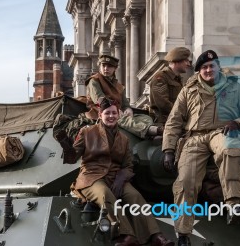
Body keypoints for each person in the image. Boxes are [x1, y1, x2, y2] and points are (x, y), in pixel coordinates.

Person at [162, 50, 240, 246]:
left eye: (211, 66)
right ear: (199, 71)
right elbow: (173, 122)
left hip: (221, 132)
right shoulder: (188, 90)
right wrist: (168, 150)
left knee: (229, 147)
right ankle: (183, 233)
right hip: (195, 137)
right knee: (186, 182)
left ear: (218, 67)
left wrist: (238, 123)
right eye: (204, 67)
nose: (208, 70)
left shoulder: (235, 88)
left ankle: (233, 204)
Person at [67, 98, 174, 246]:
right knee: (105, 195)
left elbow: (128, 165)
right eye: (107, 113)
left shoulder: (123, 139)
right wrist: (66, 147)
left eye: (113, 113)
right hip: (92, 177)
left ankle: (155, 235)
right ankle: (126, 235)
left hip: (115, 177)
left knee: (135, 196)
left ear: (118, 115)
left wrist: (121, 178)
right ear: (100, 115)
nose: (111, 116)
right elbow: (73, 157)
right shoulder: (87, 132)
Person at [85, 54, 163, 138]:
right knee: (122, 120)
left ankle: (150, 134)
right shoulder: (94, 81)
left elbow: (125, 104)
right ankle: (154, 131)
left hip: (119, 113)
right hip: (102, 113)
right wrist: (115, 110)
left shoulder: (119, 86)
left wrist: (128, 109)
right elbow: (101, 101)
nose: (106, 68)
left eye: (109, 66)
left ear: (115, 68)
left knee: (145, 118)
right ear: (100, 66)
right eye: (103, 65)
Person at [149, 47, 191, 124]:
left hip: (177, 121)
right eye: (186, 60)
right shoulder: (160, 77)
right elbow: (163, 103)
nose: (188, 64)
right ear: (177, 61)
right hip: (164, 123)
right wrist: (183, 114)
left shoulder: (178, 79)